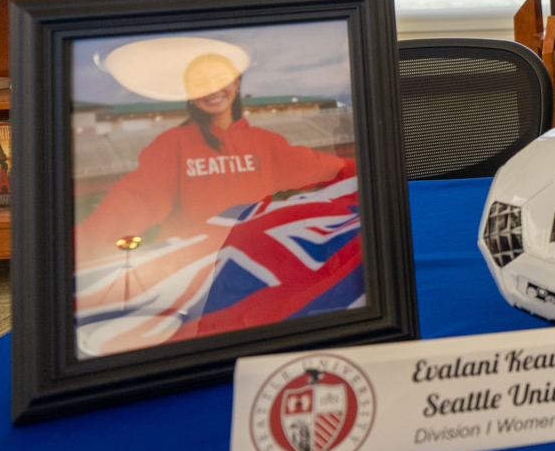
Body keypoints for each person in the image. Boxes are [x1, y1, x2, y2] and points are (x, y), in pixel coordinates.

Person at [74, 45, 354, 354]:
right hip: (193, 282)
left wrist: (372, 169)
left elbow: (324, 168)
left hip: (247, 275)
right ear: (190, 94)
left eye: (220, 77)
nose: (211, 88)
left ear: (236, 84)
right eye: (200, 82)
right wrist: (80, 249)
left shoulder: (264, 143)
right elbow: (131, 202)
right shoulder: (172, 145)